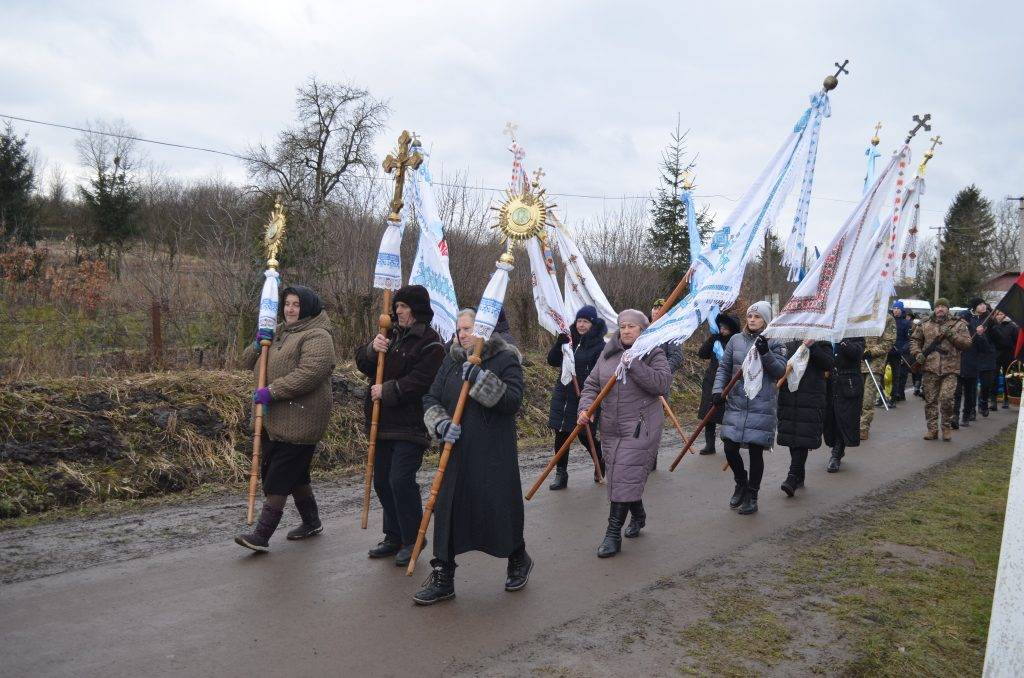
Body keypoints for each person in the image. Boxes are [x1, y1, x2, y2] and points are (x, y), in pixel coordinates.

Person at [414, 308, 530, 605]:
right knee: (448, 509)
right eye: (459, 329)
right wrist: (440, 423)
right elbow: (431, 397)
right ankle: (443, 574)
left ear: (484, 330)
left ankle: (517, 556)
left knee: (497, 509)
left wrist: (479, 377)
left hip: (493, 453)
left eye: (468, 329)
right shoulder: (450, 360)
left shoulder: (506, 358)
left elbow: (512, 402)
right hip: (455, 453)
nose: (462, 334)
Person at [236, 285, 336, 552]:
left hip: (303, 418)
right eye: (288, 304)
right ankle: (311, 522)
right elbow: (245, 361)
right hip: (275, 418)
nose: (290, 309)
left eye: (296, 305)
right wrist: (258, 343)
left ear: (308, 308)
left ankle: (261, 534)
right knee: (294, 475)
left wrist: (272, 391)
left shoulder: (318, 336)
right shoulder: (279, 331)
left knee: (279, 477)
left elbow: (309, 374)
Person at [355, 285, 445, 567]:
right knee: (382, 480)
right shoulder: (390, 335)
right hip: (381, 422)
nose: (398, 311)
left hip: (410, 425)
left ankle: (412, 538)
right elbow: (365, 365)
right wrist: (372, 349)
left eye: (403, 306)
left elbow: (421, 382)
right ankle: (392, 535)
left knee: (400, 480)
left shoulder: (431, 343)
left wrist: (389, 390)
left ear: (416, 310)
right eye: (397, 306)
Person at [578, 309, 672, 556]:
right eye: (623, 326)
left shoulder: (653, 352)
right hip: (611, 428)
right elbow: (591, 385)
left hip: (641, 427)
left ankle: (612, 534)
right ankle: (638, 514)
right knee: (622, 477)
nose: (627, 330)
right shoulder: (607, 354)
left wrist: (635, 364)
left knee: (623, 474)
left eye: (632, 326)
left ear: (642, 330)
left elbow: (662, 384)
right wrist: (585, 408)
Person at [713, 301, 787, 515]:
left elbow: (779, 371)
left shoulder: (775, 341)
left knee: (755, 451)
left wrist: (765, 352)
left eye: (757, 316)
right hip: (736, 402)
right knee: (729, 446)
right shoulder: (735, 340)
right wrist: (717, 391)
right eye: (750, 316)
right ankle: (741, 482)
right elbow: (724, 368)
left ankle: (752, 495)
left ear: (766, 320)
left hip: (761, 404)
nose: (752, 319)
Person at [547, 305, 608, 490]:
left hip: (585, 396)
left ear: (593, 323)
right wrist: (559, 344)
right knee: (561, 434)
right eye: (579, 321)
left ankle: (600, 464)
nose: (581, 325)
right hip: (564, 394)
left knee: (583, 434)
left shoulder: (600, 346)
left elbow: (600, 373)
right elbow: (552, 361)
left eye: (586, 321)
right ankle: (561, 473)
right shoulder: (568, 340)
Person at [776, 339, 833, 496]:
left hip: (810, 396)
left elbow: (828, 363)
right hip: (789, 395)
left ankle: (792, 476)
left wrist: (812, 346)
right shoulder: (788, 341)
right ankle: (799, 473)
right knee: (791, 437)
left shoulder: (822, 341)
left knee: (803, 437)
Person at [911, 298, 972, 441]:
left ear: (948, 309)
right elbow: (915, 341)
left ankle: (946, 427)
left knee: (946, 398)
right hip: (929, 368)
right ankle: (932, 430)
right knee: (930, 401)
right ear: (934, 309)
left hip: (950, 369)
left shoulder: (958, 325)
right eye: (938, 306)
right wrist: (918, 353)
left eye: (944, 306)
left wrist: (951, 335)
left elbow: (967, 344)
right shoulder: (925, 324)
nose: (940, 309)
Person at [695, 313, 741, 455]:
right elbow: (702, 354)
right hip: (711, 381)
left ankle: (732, 445)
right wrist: (711, 339)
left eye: (725, 328)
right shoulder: (716, 340)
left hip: (730, 383)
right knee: (709, 416)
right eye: (721, 327)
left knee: (729, 416)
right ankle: (710, 445)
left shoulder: (737, 342)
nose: (722, 330)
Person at [650, 298, 684, 470]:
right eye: (655, 308)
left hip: (659, 385)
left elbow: (677, 358)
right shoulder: (644, 330)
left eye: (660, 308)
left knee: (654, 422)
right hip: (641, 385)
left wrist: (660, 374)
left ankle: (651, 458)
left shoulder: (672, 332)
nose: (656, 311)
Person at [823, 337, 866, 472]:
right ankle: (836, 448)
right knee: (831, 419)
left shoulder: (855, 334)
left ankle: (836, 454)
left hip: (848, 383)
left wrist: (842, 340)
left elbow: (857, 353)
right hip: (829, 382)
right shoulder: (826, 334)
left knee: (844, 418)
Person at [860, 311, 895, 438]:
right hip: (857, 362)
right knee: (856, 396)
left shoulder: (887, 318)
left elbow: (889, 342)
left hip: (874, 364)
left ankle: (863, 427)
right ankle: (854, 424)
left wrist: (871, 352)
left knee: (868, 398)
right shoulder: (861, 313)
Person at [990, 309, 1020, 408]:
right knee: (994, 378)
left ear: (1005, 315)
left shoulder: (1012, 327)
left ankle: (1007, 399)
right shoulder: (993, 326)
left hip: (1008, 355)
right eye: (997, 314)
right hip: (996, 355)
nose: (999, 316)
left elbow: (1016, 342)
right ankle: (993, 400)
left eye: (1001, 314)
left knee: (1008, 378)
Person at [887, 301, 914, 402]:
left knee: (896, 376)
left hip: (898, 354)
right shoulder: (888, 321)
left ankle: (895, 396)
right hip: (886, 351)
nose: (896, 310)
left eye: (898, 308)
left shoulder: (906, 323)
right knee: (882, 375)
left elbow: (909, 339)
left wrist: (902, 349)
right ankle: (882, 396)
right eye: (894, 308)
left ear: (901, 310)